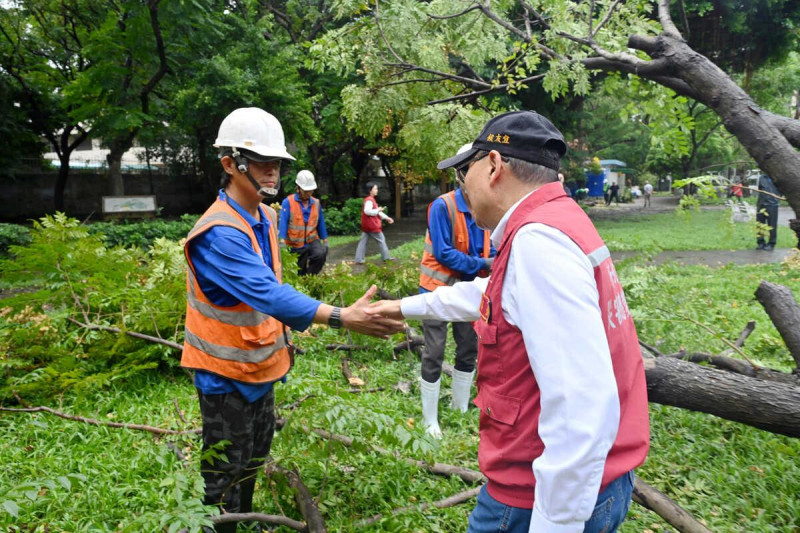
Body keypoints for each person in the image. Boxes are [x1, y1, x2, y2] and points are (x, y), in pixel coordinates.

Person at [368, 110, 650, 533]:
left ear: (494, 166)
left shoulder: (539, 243)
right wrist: (403, 307)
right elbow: (494, 294)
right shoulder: (557, 222)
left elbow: (581, 407)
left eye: (466, 171)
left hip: (534, 496)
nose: (463, 184)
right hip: (594, 483)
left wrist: (555, 523)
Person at [180, 107, 404, 533]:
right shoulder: (218, 232)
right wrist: (340, 317)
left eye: (277, 163)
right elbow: (268, 294)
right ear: (230, 164)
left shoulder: (265, 215)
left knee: (254, 458)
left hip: (262, 367)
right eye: (261, 162)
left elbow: (270, 287)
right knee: (223, 474)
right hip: (225, 376)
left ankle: (245, 521)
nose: (272, 172)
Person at [418, 143, 496, 439]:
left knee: (468, 349)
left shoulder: (488, 206)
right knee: (434, 351)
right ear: (462, 175)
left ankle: (460, 408)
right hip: (436, 290)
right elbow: (443, 252)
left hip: (470, 291)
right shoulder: (443, 206)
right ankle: (429, 419)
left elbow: (495, 246)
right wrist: (484, 263)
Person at [279, 170, 328, 275]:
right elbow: (283, 222)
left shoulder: (316, 203)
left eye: (311, 190)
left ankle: (310, 276)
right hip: (295, 243)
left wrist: (325, 240)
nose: (309, 193)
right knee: (299, 271)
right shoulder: (288, 202)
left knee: (320, 255)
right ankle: (303, 278)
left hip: (311, 240)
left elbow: (321, 222)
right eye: (306, 191)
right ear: (298, 188)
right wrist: (282, 241)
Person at [354, 181, 396, 263]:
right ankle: (386, 258)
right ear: (370, 190)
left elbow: (376, 212)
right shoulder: (369, 200)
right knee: (381, 240)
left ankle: (359, 259)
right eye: (375, 189)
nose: (377, 190)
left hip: (366, 225)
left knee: (363, 242)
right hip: (372, 226)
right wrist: (378, 210)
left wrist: (386, 217)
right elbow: (367, 211)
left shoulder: (370, 200)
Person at [756, 174, 780, 251]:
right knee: (759, 225)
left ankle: (771, 243)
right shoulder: (762, 177)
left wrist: (776, 198)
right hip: (761, 204)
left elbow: (782, 190)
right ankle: (760, 242)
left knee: (772, 225)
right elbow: (760, 189)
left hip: (773, 205)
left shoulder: (777, 177)